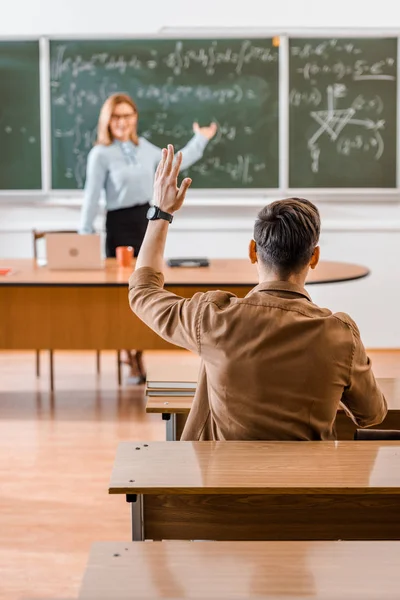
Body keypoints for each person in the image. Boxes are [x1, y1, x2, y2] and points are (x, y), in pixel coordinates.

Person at [128, 145, 387, 440]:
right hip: (308, 485)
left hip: (223, 484)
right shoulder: (340, 335)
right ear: (313, 257)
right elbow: (372, 415)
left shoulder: (213, 319)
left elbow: (143, 291)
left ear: (253, 251)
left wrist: (161, 212)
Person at [79, 93, 217, 383]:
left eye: (128, 115)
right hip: (118, 225)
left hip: (149, 221)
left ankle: (138, 350)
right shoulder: (100, 154)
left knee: (148, 285)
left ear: (135, 119)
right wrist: (85, 238)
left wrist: (200, 139)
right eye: (116, 116)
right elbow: (91, 198)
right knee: (123, 292)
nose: (122, 122)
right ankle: (128, 354)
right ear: (107, 120)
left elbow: (178, 160)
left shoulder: (146, 150)